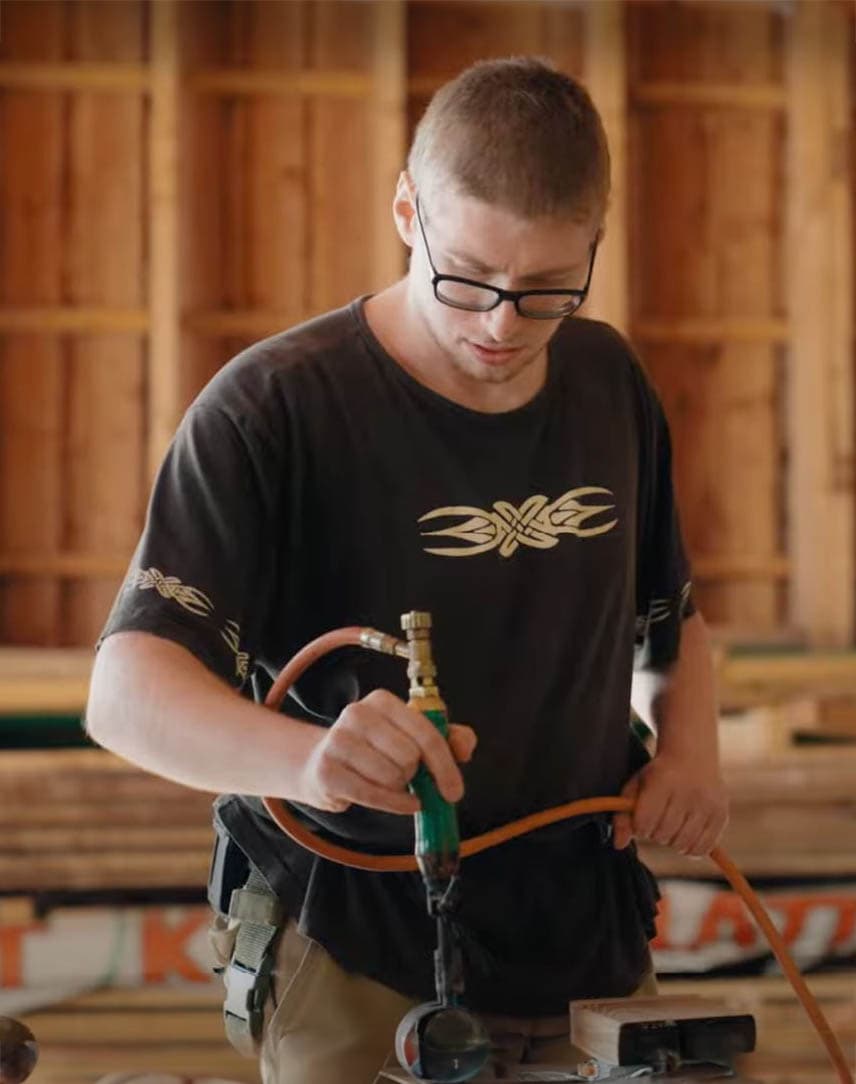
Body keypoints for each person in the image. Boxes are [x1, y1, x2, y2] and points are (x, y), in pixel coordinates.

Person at [85, 56, 728, 1084]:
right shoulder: (274, 410)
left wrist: (689, 751)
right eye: (466, 276)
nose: (500, 325)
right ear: (404, 209)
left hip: (584, 937)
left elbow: (672, 618)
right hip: (356, 951)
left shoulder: (608, 382)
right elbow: (126, 695)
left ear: (594, 244)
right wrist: (308, 761)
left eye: (547, 289)